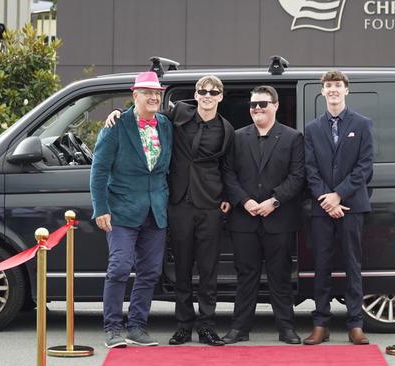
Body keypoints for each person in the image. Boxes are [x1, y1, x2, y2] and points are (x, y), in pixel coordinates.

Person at [105, 75, 234, 346]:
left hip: (210, 205)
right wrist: (117, 112)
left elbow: (228, 167)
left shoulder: (226, 129)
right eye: (203, 91)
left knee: (208, 270)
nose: (208, 95)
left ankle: (207, 325)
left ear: (221, 96)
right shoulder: (176, 116)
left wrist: (226, 197)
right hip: (177, 205)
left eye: (213, 92)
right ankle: (184, 325)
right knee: (182, 269)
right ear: (196, 95)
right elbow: (145, 115)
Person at [90, 71, 173, 348]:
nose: (153, 97)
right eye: (147, 93)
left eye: (157, 93)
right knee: (119, 268)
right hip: (122, 211)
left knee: (150, 272)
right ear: (134, 95)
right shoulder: (115, 126)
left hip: (156, 211)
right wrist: (100, 208)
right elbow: (99, 171)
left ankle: (137, 326)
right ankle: (112, 328)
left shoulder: (165, 124)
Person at [221, 85, 305, 344]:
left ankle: (286, 328)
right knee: (246, 276)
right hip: (244, 219)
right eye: (253, 104)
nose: (257, 108)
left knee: (280, 276)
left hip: (278, 219)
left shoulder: (293, 138)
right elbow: (228, 173)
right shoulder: (236, 137)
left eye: (263, 104)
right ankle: (239, 329)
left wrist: (274, 201)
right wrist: (244, 201)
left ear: (276, 106)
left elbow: (297, 176)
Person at [303, 70, 373, 346]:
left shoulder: (363, 124)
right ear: (322, 92)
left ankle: (355, 324)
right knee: (321, 266)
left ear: (347, 90)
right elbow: (309, 168)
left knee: (352, 265)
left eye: (338, 85)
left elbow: (365, 166)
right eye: (328, 86)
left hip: (352, 206)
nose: (333, 90)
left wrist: (339, 195)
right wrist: (326, 198)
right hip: (322, 209)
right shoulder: (312, 129)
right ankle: (321, 323)